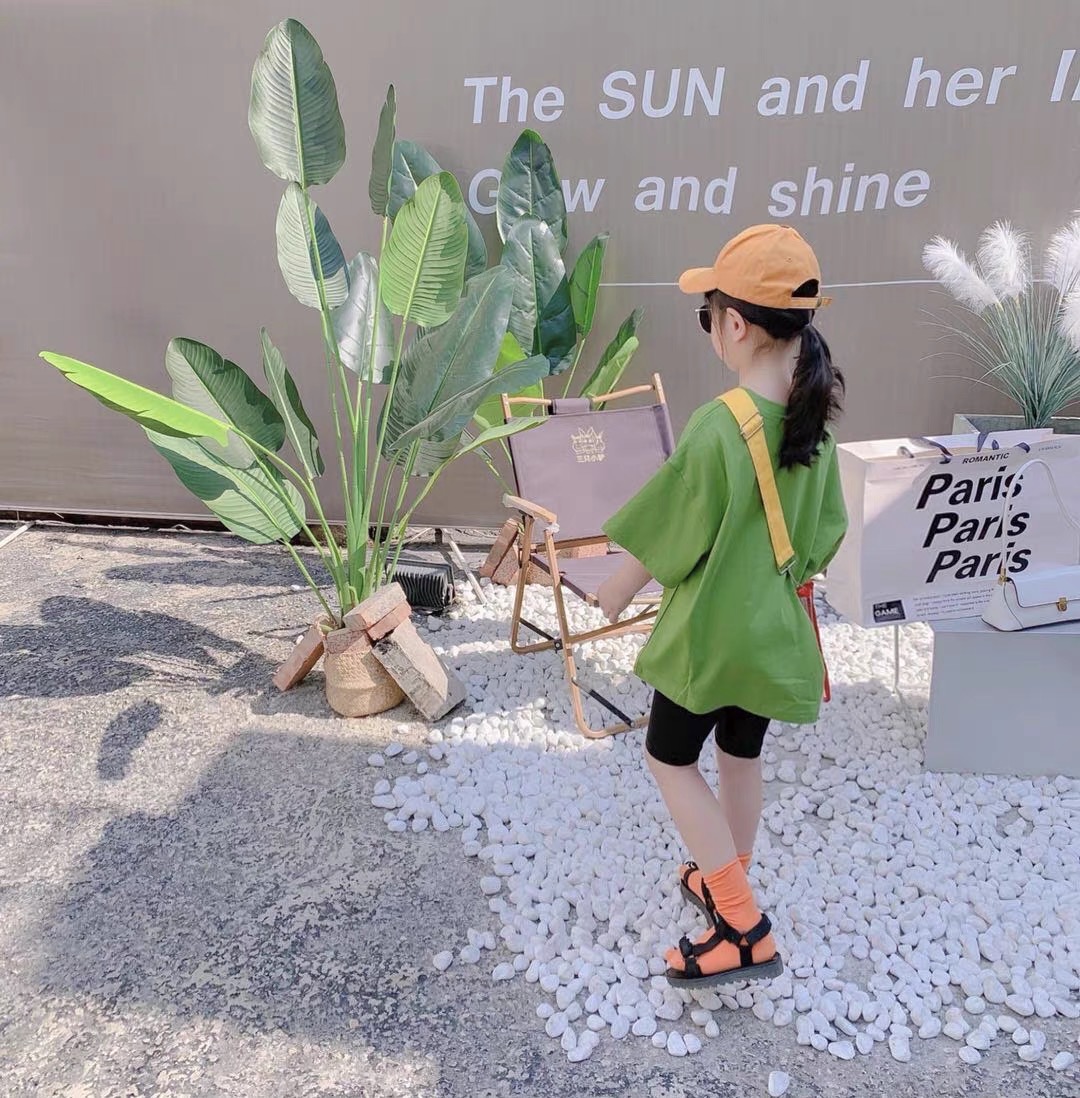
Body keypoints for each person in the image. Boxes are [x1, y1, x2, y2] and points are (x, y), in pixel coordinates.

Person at [597, 224, 848, 988]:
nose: (709, 327)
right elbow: (825, 535)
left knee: (669, 758)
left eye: (707, 314)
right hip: (772, 635)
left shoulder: (720, 424)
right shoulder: (813, 425)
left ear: (735, 324)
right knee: (741, 758)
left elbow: (671, 526)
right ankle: (725, 872)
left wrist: (612, 591)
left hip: (711, 638)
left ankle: (741, 924)